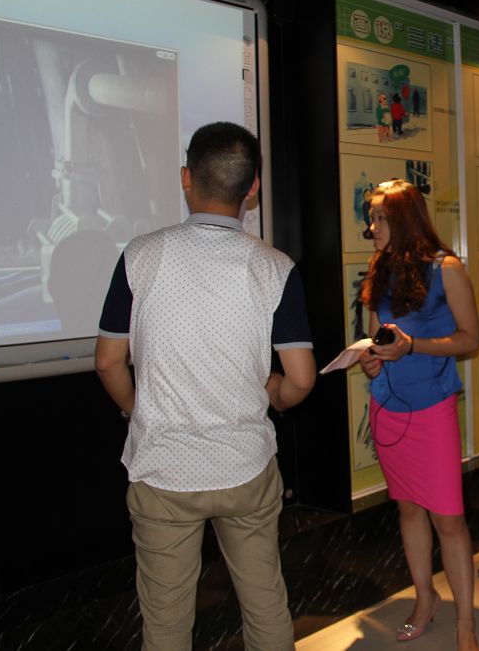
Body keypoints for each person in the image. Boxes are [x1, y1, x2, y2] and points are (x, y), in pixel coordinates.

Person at [94, 121, 316, 650]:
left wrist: (137, 408)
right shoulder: (275, 267)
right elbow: (301, 378)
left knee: (166, 624)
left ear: (185, 177)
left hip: (163, 469)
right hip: (246, 467)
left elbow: (108, 362)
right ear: (253, 187)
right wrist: (275, 393)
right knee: (265, 605)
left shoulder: (140, 255)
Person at [357, 179, 479, 651]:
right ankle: (425, 597)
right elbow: (377, 340)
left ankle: (465, 622)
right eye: (371, 218)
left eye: (380, 218)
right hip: (387, 405)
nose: (372, 228)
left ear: (404, 219)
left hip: (431, 406)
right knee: (408, 509)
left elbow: (470, 338)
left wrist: (414, 347)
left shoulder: (446, 268)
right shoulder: (380, 267)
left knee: (448, 518)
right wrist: (370, 358)